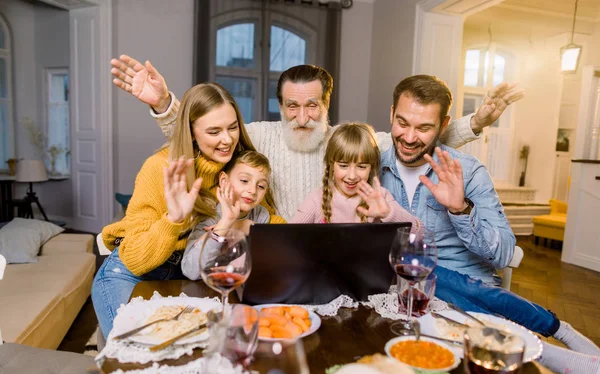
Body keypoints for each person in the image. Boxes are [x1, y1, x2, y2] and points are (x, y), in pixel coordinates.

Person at [379, 74, 600, 374]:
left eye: (424, 127)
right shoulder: (368, 164)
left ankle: (543, 341)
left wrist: (460, 209)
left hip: (471, 291)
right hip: (409, 291)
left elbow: (504, 253)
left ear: (443, 126)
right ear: (390, 114)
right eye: (402, 123)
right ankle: (539, 344)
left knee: (439, 286)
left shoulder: (468, 172)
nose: (410, 137)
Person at [110, 55, 524, 220]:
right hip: (265, 244)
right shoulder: (257, 136)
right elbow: (203, 134)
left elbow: (414, 138)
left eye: (312, 106)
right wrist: (165, 102)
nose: (302, 116)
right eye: (292, 105)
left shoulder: (348, 142)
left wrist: (477, 122)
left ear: (327, 104)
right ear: (279, 106)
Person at [92, 83, 284, 338]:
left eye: (233, 127)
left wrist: (241, 226)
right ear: (192, 133)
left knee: (198, 346)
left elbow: (265, 218)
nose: (227, 139)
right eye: (214, 131)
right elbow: (135, 258)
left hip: (191, 274)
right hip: (134, 275)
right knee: (140, 347)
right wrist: (173, 220)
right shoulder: (159, 168)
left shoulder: (240, 168)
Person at [291, 122, 420, 229]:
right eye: (343, 166)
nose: (352, 176)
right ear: (331, 165)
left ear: (371, 167)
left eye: (361, 167)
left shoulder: (380, 197)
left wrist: (388, 213)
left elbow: (419, 235)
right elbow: (287, 236)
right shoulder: (317, 200)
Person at [181, 150, 273, 280]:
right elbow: (190, 271)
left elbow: (263, 261)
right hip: (205, 289)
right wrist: (225, 223)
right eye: (244, 180)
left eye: (261, 186)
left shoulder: (260, 214)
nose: (252, 191)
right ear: (224, 181)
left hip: (239, 287)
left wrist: (250, 226)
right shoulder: (209, 215)